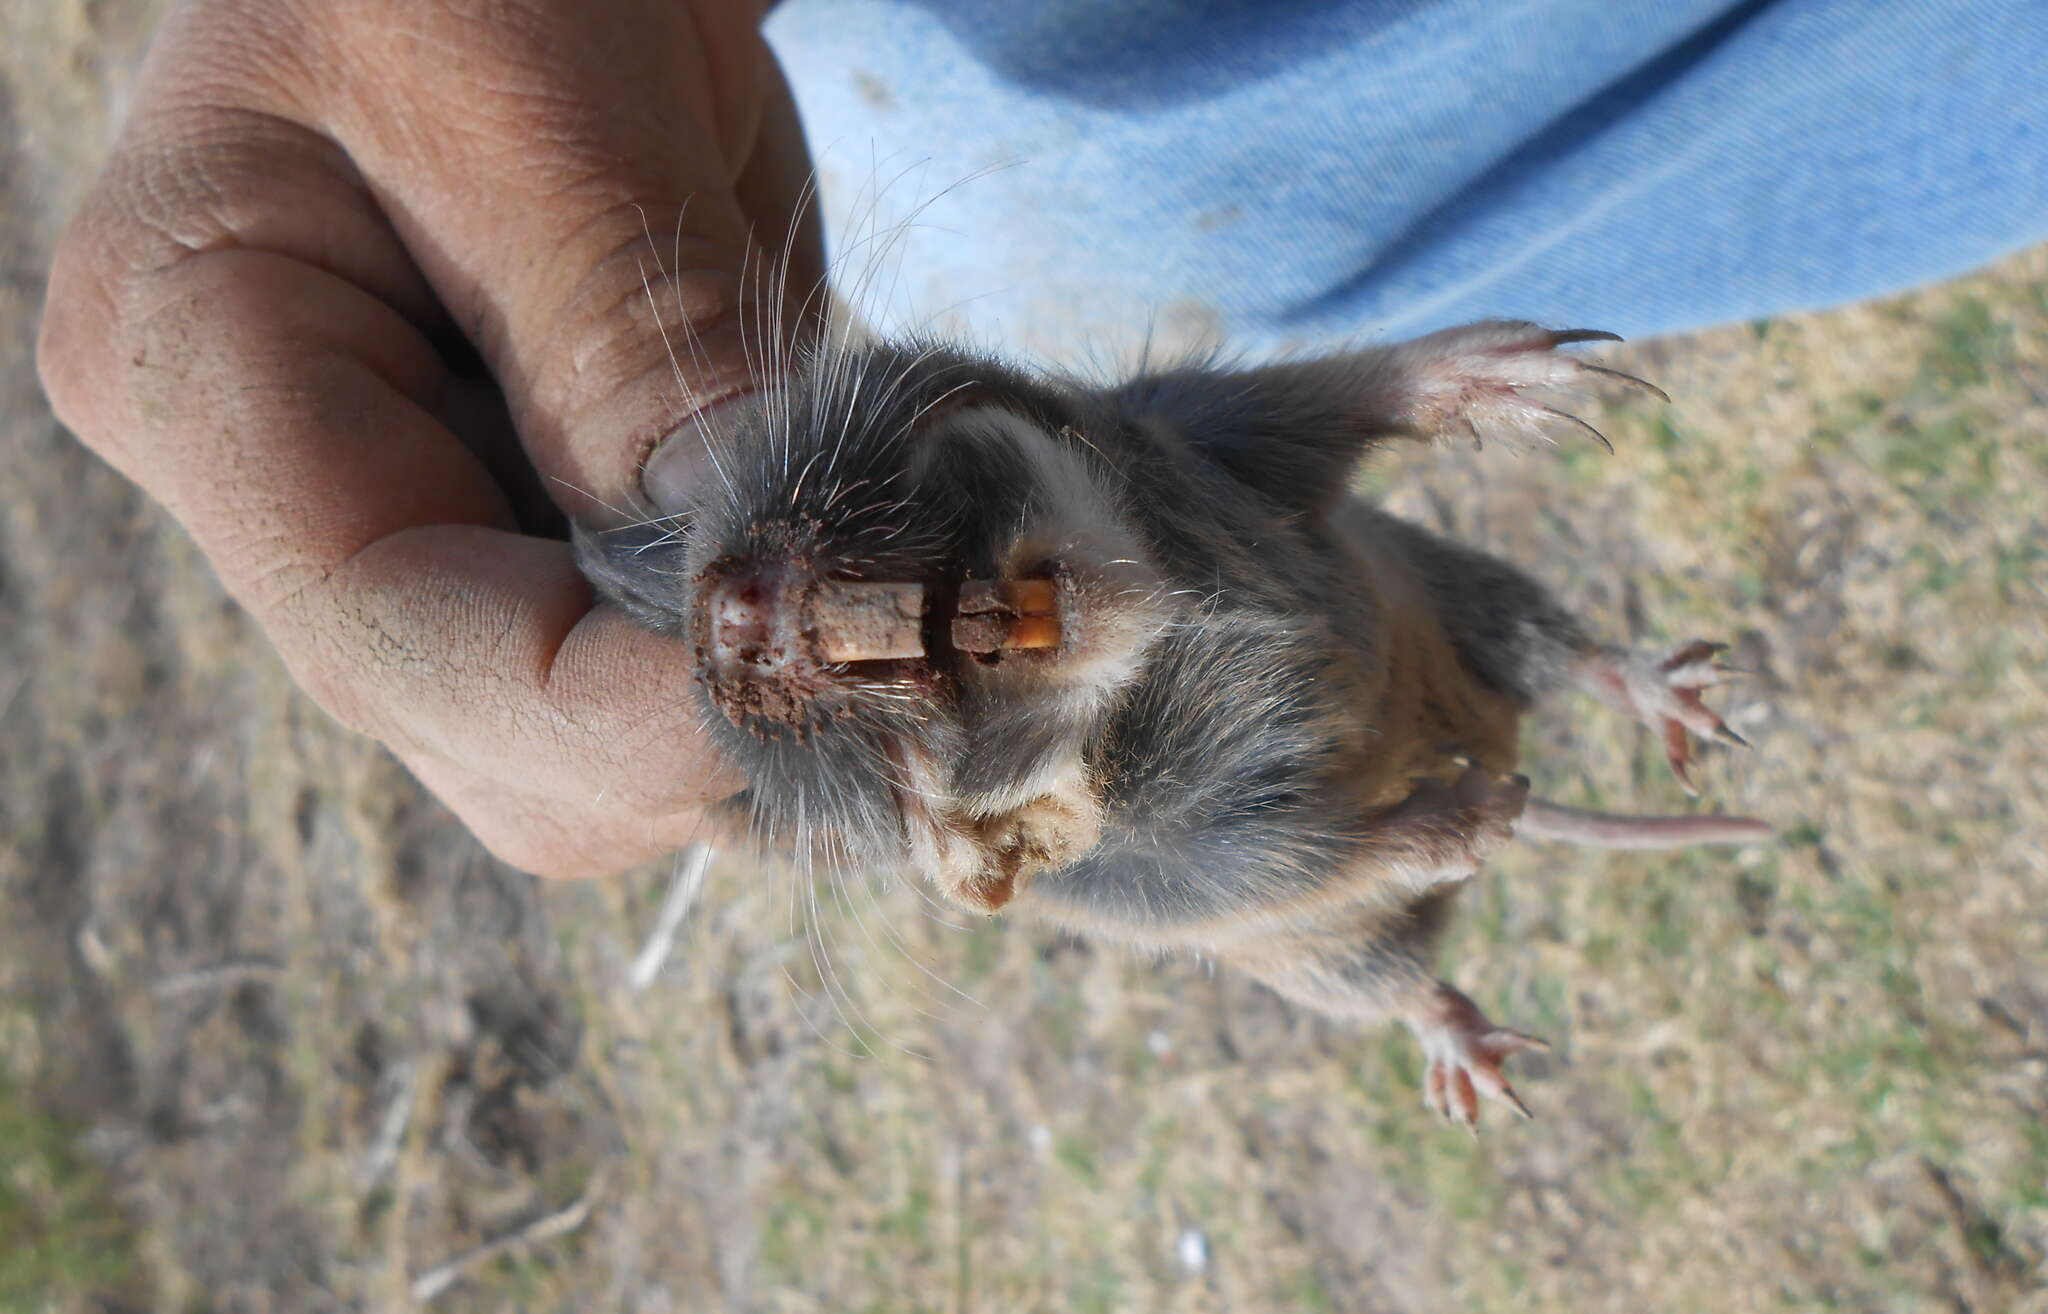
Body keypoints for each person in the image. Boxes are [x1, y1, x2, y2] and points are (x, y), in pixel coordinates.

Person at [39, 0, 2045, 879]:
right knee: (1045, 186)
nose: (760, 610)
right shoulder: (1091, 771)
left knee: (1031, 179)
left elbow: (1209, 433)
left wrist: (1400, 390)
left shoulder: (1004, 434)